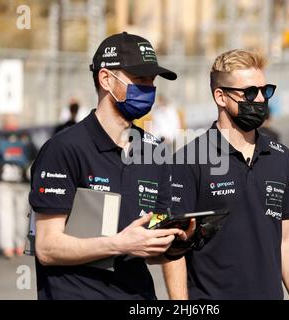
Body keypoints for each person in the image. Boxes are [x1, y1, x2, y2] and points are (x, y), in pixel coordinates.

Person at [28, 32, 194, 300]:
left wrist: (178, 241)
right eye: (140, 79)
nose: (149, 88)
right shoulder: (64, 149)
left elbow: (153, 250)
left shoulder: (155, 151)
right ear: (106, 78)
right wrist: (118, 244)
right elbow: (47, 248)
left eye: (152, 81)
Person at [163, 49, 289, 300]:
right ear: (220, 96)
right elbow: (174, 247)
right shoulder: (189, 159)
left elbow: (287, 235)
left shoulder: (281, 156)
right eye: (250, 92)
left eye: (266, 90)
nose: (261, 99)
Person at [0, 115, 37, 258]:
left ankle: (7, 247)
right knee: (22, 214)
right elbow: (35, 154)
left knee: (5, 214)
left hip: (3, 181)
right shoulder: (25, 137)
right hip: (22, 181)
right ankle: (19, 245)